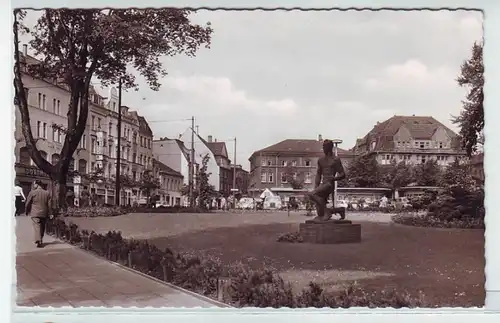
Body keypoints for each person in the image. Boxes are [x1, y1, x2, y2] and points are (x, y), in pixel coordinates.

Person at [307, 139, 346, 221]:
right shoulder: (321, 160)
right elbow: (318, 174)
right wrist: (316, 187)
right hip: (323, 184)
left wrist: (334, 178)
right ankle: (339, 210)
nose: (323, 149)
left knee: (311, 194)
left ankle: (327, 212)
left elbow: (343, 174)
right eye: (323, 147)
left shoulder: (335, 160)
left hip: (329, 184)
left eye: (325, 147)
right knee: (320, 214)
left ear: (329, 148)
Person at [25, 180, 53, 248]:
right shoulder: (47, 193)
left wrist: (26, 211)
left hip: (35, 213)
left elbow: (27, 203)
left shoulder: (32, 192)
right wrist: (50, 213)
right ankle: (41, 239)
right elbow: (49, 205)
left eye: (34, 184)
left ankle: (38, 240)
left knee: (37, 226)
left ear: (37, 184)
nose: (34, 186)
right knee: (42, 227)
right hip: (44, 213)